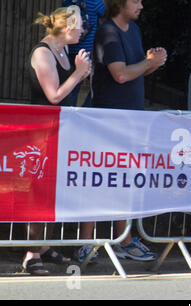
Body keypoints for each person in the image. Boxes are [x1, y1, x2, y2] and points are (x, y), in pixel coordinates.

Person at [78, 0, 167, 263]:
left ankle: (124, 239)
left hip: (131, 119)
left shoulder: (134, 31)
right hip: (107, 120)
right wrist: (148, 62)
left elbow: (135, 70)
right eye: (135, 1)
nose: (141, 5)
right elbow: (120, 75)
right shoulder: (108, 32)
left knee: (126, 180)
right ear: (120, 4)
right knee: (98, 179)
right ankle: (85, 242)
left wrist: (153, 62)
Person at [26, 5, 91, 275]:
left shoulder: (64, 52)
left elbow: (72, 96)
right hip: (41, 134)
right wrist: (77, 73)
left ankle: (43, 245)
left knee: (53, 192)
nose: (83, 31)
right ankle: (30, 252)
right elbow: (53, 96)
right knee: (39, 193)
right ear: (65, 27)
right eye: (79, 26)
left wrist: (83, 77)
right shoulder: (43, 53)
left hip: (59, 132)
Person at [62, 0, 106, 106]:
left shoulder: (67, 2)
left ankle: (70, 112)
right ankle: (87, 109)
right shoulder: (95, 2)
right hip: (88, 51)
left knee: (73, 86)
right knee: (99, 84)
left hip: (70, 49)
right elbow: (108, 14)